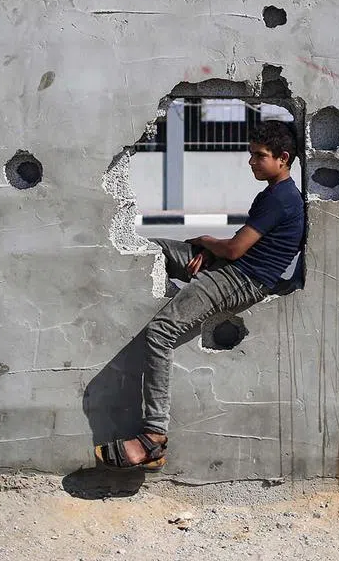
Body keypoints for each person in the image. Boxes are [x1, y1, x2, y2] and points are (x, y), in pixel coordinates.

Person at [95, 120, 305, 470]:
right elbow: (243, 246)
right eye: (250, 154)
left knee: (161, 332)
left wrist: (205, 241)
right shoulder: (272, 193)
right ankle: (152, 437)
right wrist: (209, 254)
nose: (251, 162)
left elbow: (237, 250)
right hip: (235, 267)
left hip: (243, 280)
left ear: (283, 158)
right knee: (156, 249)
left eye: (259, 156)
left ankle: (153, 437)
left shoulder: (281, 199)